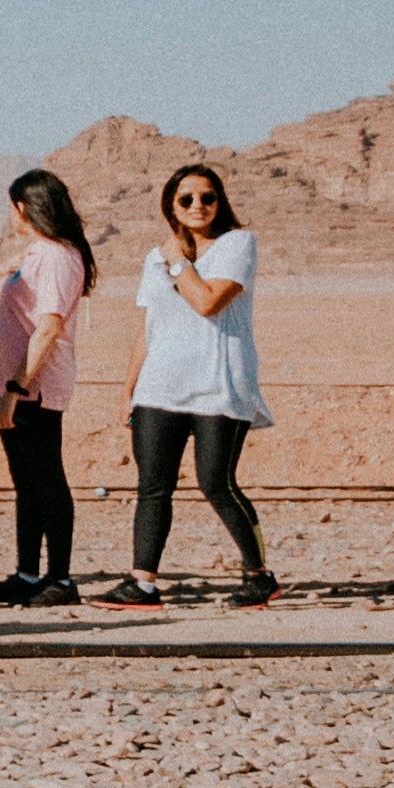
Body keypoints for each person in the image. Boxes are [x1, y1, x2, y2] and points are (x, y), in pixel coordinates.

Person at [113, 160, 274, 606]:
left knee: (215, 482)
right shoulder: (156, 257)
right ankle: (143, 581)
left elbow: (209, 303)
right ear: (171, 206)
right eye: (186, 199)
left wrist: (179, 262)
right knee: (153, 486)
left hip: (218, 383)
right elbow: (150, 327)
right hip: (160, 386)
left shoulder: (238, 244)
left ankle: (259, 574)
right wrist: (129, 388)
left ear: (220, 202)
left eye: (207, 197)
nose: (197, 205)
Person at [0, 168, 97, 604]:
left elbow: (47, 328)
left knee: (47, 478)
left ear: (23, 208)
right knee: (26, 479)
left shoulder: (60, 256)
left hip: (34, 384)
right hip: (19, 380)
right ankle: (28, 573)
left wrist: (15, 388)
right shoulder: (39, 254)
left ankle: (61, 578)